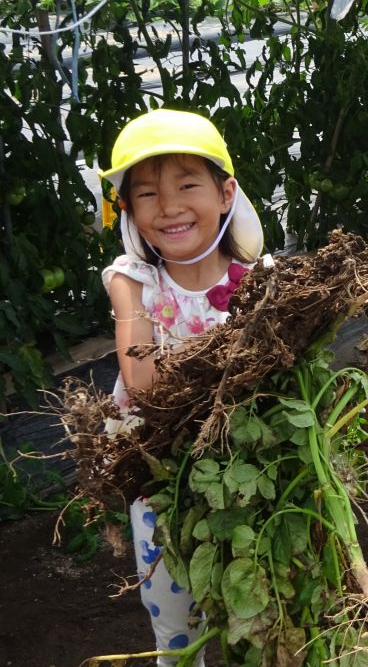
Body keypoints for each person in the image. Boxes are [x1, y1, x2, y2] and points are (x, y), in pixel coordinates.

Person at [99, 108, 265, 666]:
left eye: (187, 184)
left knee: (258, 608)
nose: (168, 206)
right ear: (128, 210)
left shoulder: (262, 280)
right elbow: (142, 382)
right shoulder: (133, 281)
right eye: (146, 194)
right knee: (175, 621)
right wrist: (224, 365)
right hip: (162, 477)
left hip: (249, 471)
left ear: (226, 194)